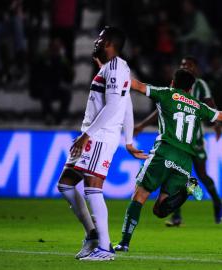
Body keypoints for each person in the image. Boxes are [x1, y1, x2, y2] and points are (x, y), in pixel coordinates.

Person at [114, 68, 222, 252]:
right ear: (190, 89)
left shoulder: (166, 93)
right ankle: (188, 188)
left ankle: (124, 243)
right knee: (160, 210)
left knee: (139, 196)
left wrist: (116, 72)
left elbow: (138, 86)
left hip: (164, 152)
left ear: (173, 83)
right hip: (185, 160)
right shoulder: (198, 105)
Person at [57, 26, 146, 261]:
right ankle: (93, 235)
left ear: (109, 44)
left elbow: (115, 106)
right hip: (93, 133)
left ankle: (105, 248)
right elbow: (126, 104)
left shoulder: (115, 67)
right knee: (65, 185)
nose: (96, 41)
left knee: (92, 188)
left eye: (100, 38)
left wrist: (88, 135)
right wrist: (128, 141)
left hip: (99, 135)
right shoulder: (112, 68)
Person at [134, 56, 222, 226]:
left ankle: (217, 203)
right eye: (183, 65)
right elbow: (161, 109)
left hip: (195, 142)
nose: (186, 67)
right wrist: (142, 125)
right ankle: (176, 216)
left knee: (202, 175)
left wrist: (217, 124)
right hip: (178, 143)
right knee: (174, 178)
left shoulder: (200, 85)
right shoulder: (174, 89)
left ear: (195, 68)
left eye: (189, 65)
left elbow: (211, 106)